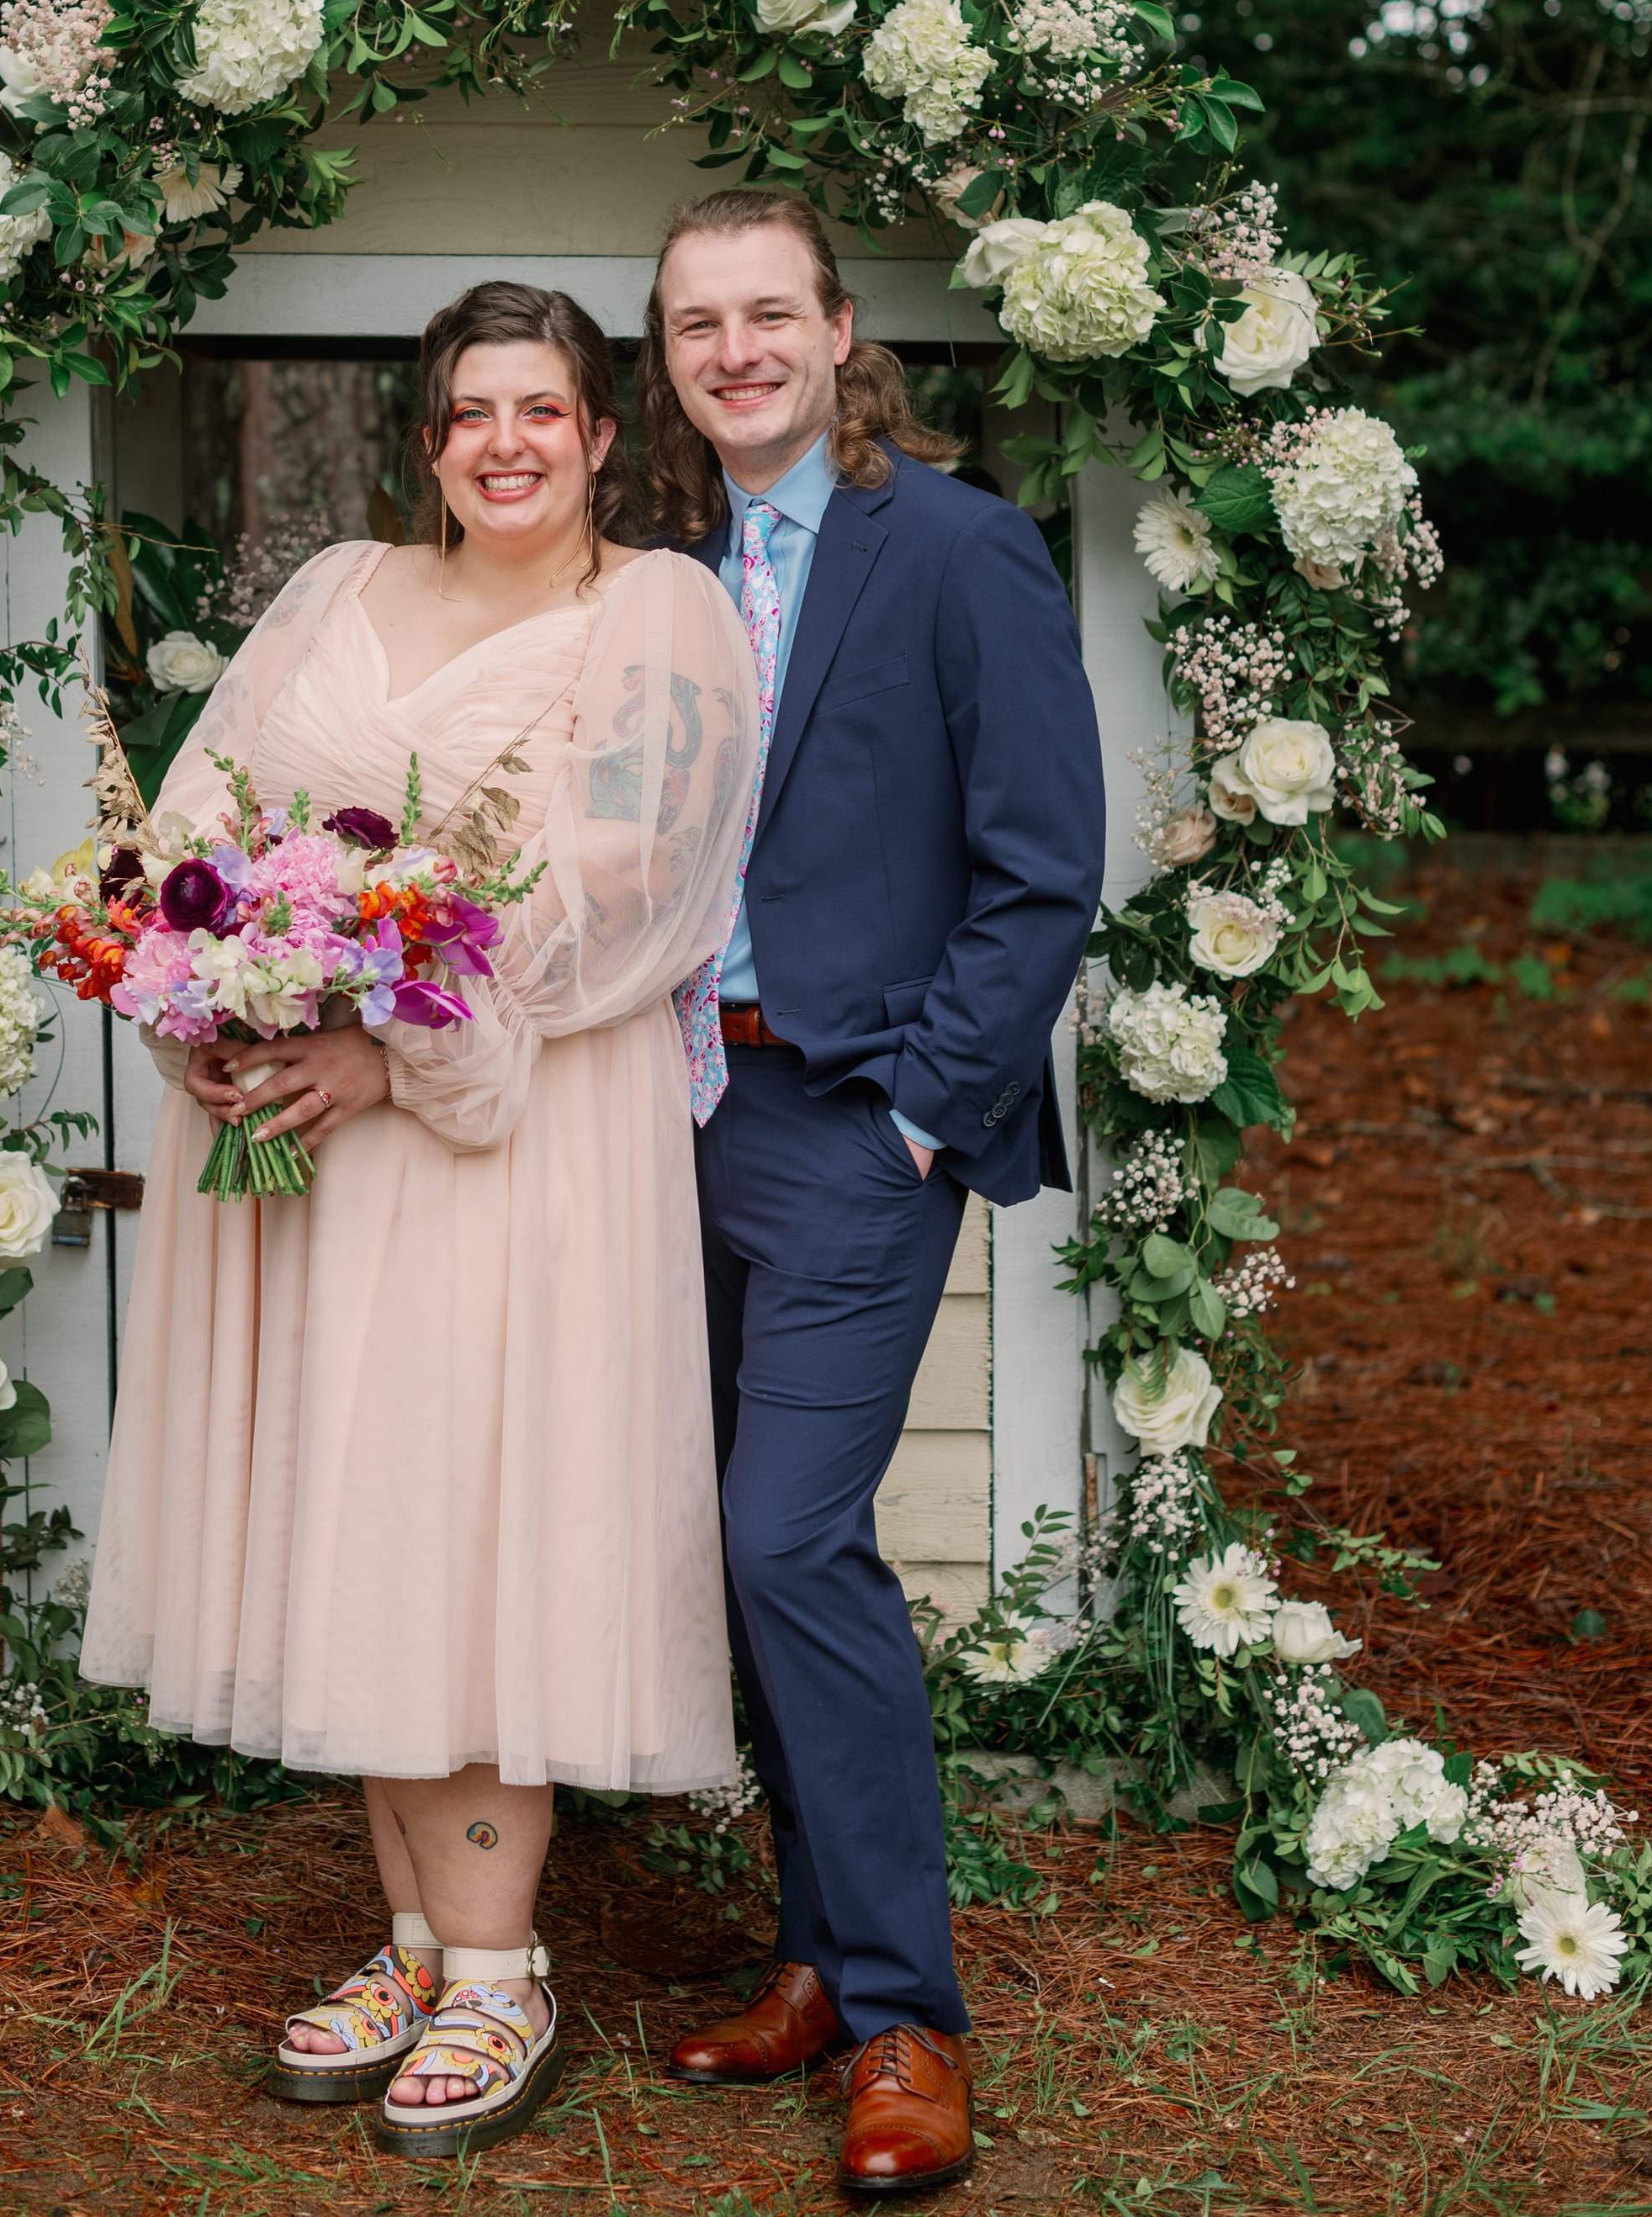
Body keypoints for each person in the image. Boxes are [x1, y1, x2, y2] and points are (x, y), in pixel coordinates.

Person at [80, 281, 758, 2162]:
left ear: (605, 434)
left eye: (542, 408)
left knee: (468, 1516)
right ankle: (409, 1938)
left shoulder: (652, 612)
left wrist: (399, 1040)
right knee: (356, 1509)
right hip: (309, 1139)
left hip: (507, 1132)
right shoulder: (341, 592)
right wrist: (206, 1004)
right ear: (429, 435)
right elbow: (194, 832)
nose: (505, 444)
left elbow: (644, 891)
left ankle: (496, 1975)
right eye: (470, 411)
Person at [643, 187, 1105, 2200]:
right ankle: (816, 1959)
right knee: (724, 1546)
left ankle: (909, 2014)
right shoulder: (668, 568)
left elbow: (1040, 868)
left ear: (839, 332)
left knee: (784, 1535)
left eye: (766, 313)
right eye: (691, 323)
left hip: (852, 1120)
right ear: (663, 357)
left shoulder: (959, 544)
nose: (732, 349)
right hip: (669, 1115)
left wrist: (923, 1111)